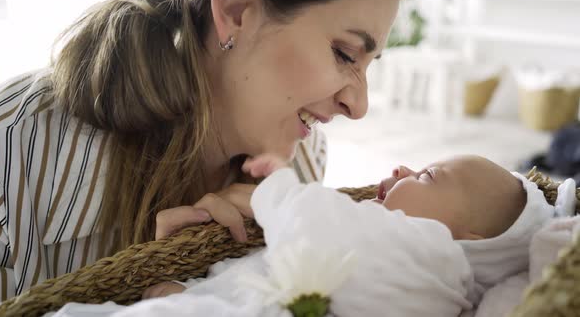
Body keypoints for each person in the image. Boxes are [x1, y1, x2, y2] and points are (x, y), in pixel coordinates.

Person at [0, 0, 403, 306]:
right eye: (345, 54)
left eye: (369, 65)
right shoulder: (7, 153)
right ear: (236, 7)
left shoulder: (302, 163)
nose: (359, 106)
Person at [141, 154, 576, 316]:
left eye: (427, 175)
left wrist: (278, 191)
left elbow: (323, 232)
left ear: (468, 237)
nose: (401, 169)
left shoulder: (433, 259)